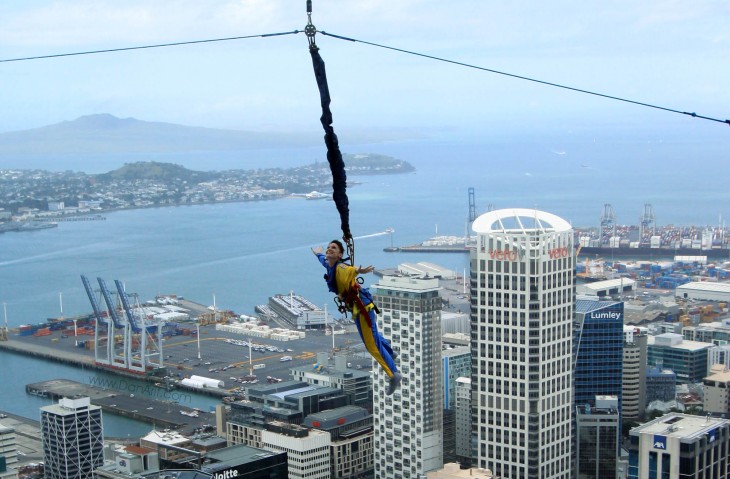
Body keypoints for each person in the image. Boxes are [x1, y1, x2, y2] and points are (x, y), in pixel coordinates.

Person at [312, 240, 402, 395]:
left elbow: (351, 270)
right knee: (373, 337)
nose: (329, 250)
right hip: (358, 309)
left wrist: (360, 270)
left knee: (371, 345)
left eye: (333, 248)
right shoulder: (330, 265)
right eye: (328, 248)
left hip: (362, 310)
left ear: (340, 255)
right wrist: (318, 253)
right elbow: (323, 261)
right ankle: (390, 352)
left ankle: (394, 374)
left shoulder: (341, 267)